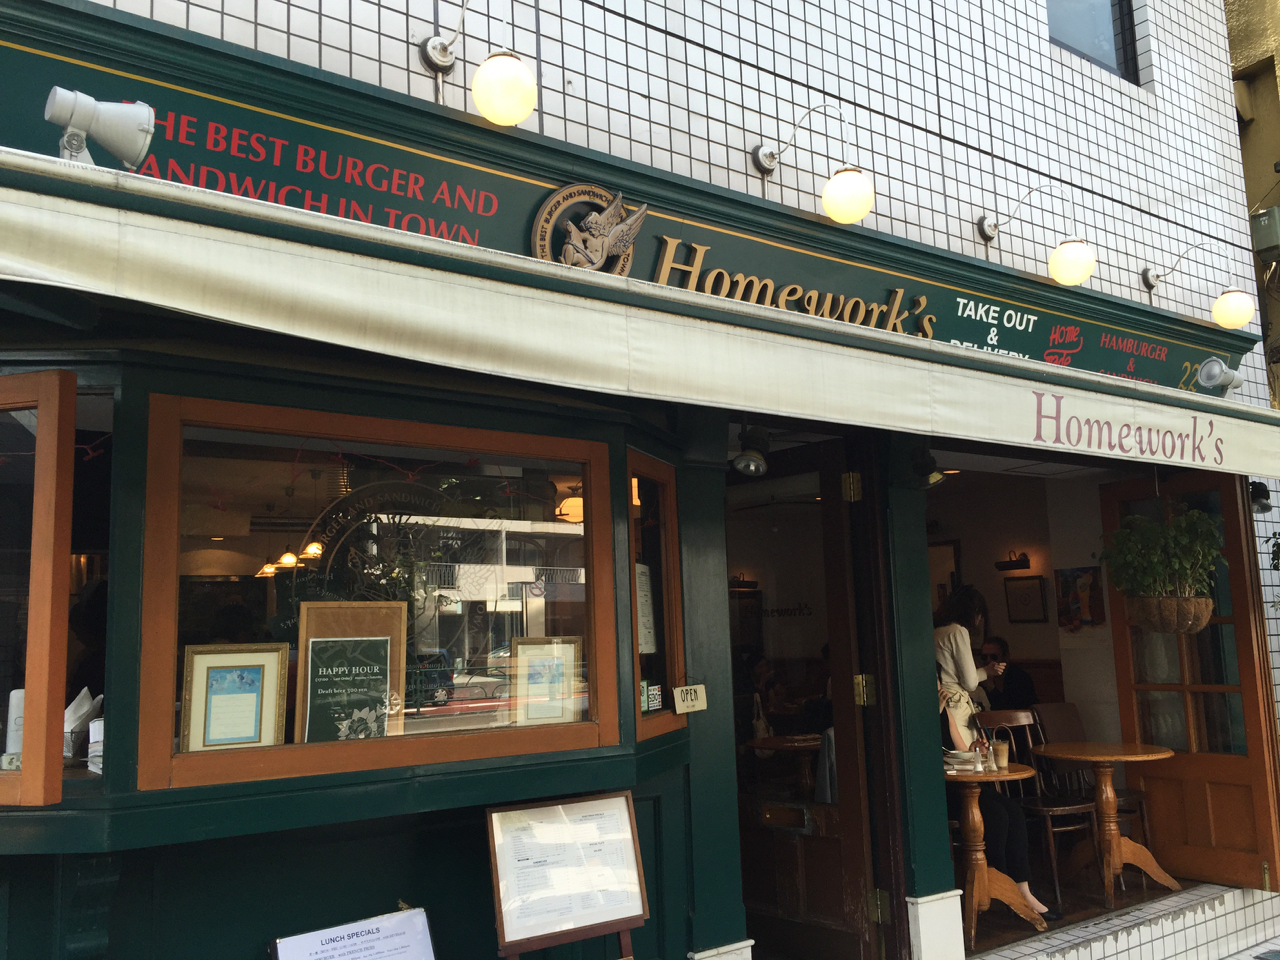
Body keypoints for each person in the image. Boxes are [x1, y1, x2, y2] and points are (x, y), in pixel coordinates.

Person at [939, 672, 1060, 923]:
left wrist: (976, 751)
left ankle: (1023, 889)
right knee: (996, 816)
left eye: (938, 683)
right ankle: (1000, 884)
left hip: (964, 784)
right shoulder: (914, 716)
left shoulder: (945, 712)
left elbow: (960, 750)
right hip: (939, 791)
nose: (938, 689)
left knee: (1013, 811)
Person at [934, 586, 1004, 740]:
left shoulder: (936, 632)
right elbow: (970, 682)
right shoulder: (958, 631)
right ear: (973, 612)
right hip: (956, 706)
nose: (978, 621)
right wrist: (986, 671)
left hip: (941, 705)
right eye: (979, 615)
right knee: (968, 754)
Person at [980, 636, 1039, 710]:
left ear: (1006, 657)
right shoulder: (981, 677)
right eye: (984, 657)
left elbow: (1010, 709)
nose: (988, 660)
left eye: (994, 657)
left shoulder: (1020, 678)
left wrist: (991, 687)